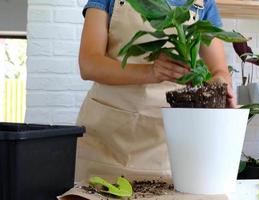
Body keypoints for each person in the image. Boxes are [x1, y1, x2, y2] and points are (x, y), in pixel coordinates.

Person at [76, 0, 235, 181]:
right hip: (105, 142)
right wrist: (151, 72)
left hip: (167, 146)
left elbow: (218, 70)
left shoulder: (202, 3)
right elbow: (89, 64)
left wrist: (221, 84)